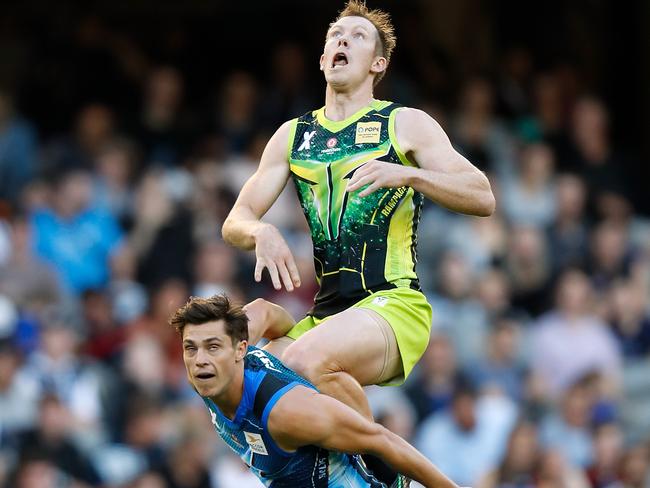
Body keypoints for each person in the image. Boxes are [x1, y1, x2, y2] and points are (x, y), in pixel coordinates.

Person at [222, 0, 494, 425]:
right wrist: (260, 232)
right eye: (335, 35)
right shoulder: (293, 136)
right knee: (247, 388)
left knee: (303, 359)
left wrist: (408, 175)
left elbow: (482, 196)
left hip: (394, 305)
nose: (343, 39)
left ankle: (378, 464)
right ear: (322, 58)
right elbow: (234, 220)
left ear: (377, 63)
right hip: (326, 313)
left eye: (358, 36)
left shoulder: (404, 123)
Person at [170, 294, 458, 488]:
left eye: (213, 347)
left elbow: (379, 439)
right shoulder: (211, 375)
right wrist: (291, 341)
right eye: (190, 348)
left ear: (240, 349)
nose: (200, 359)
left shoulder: (287, 413)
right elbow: (265, 311)